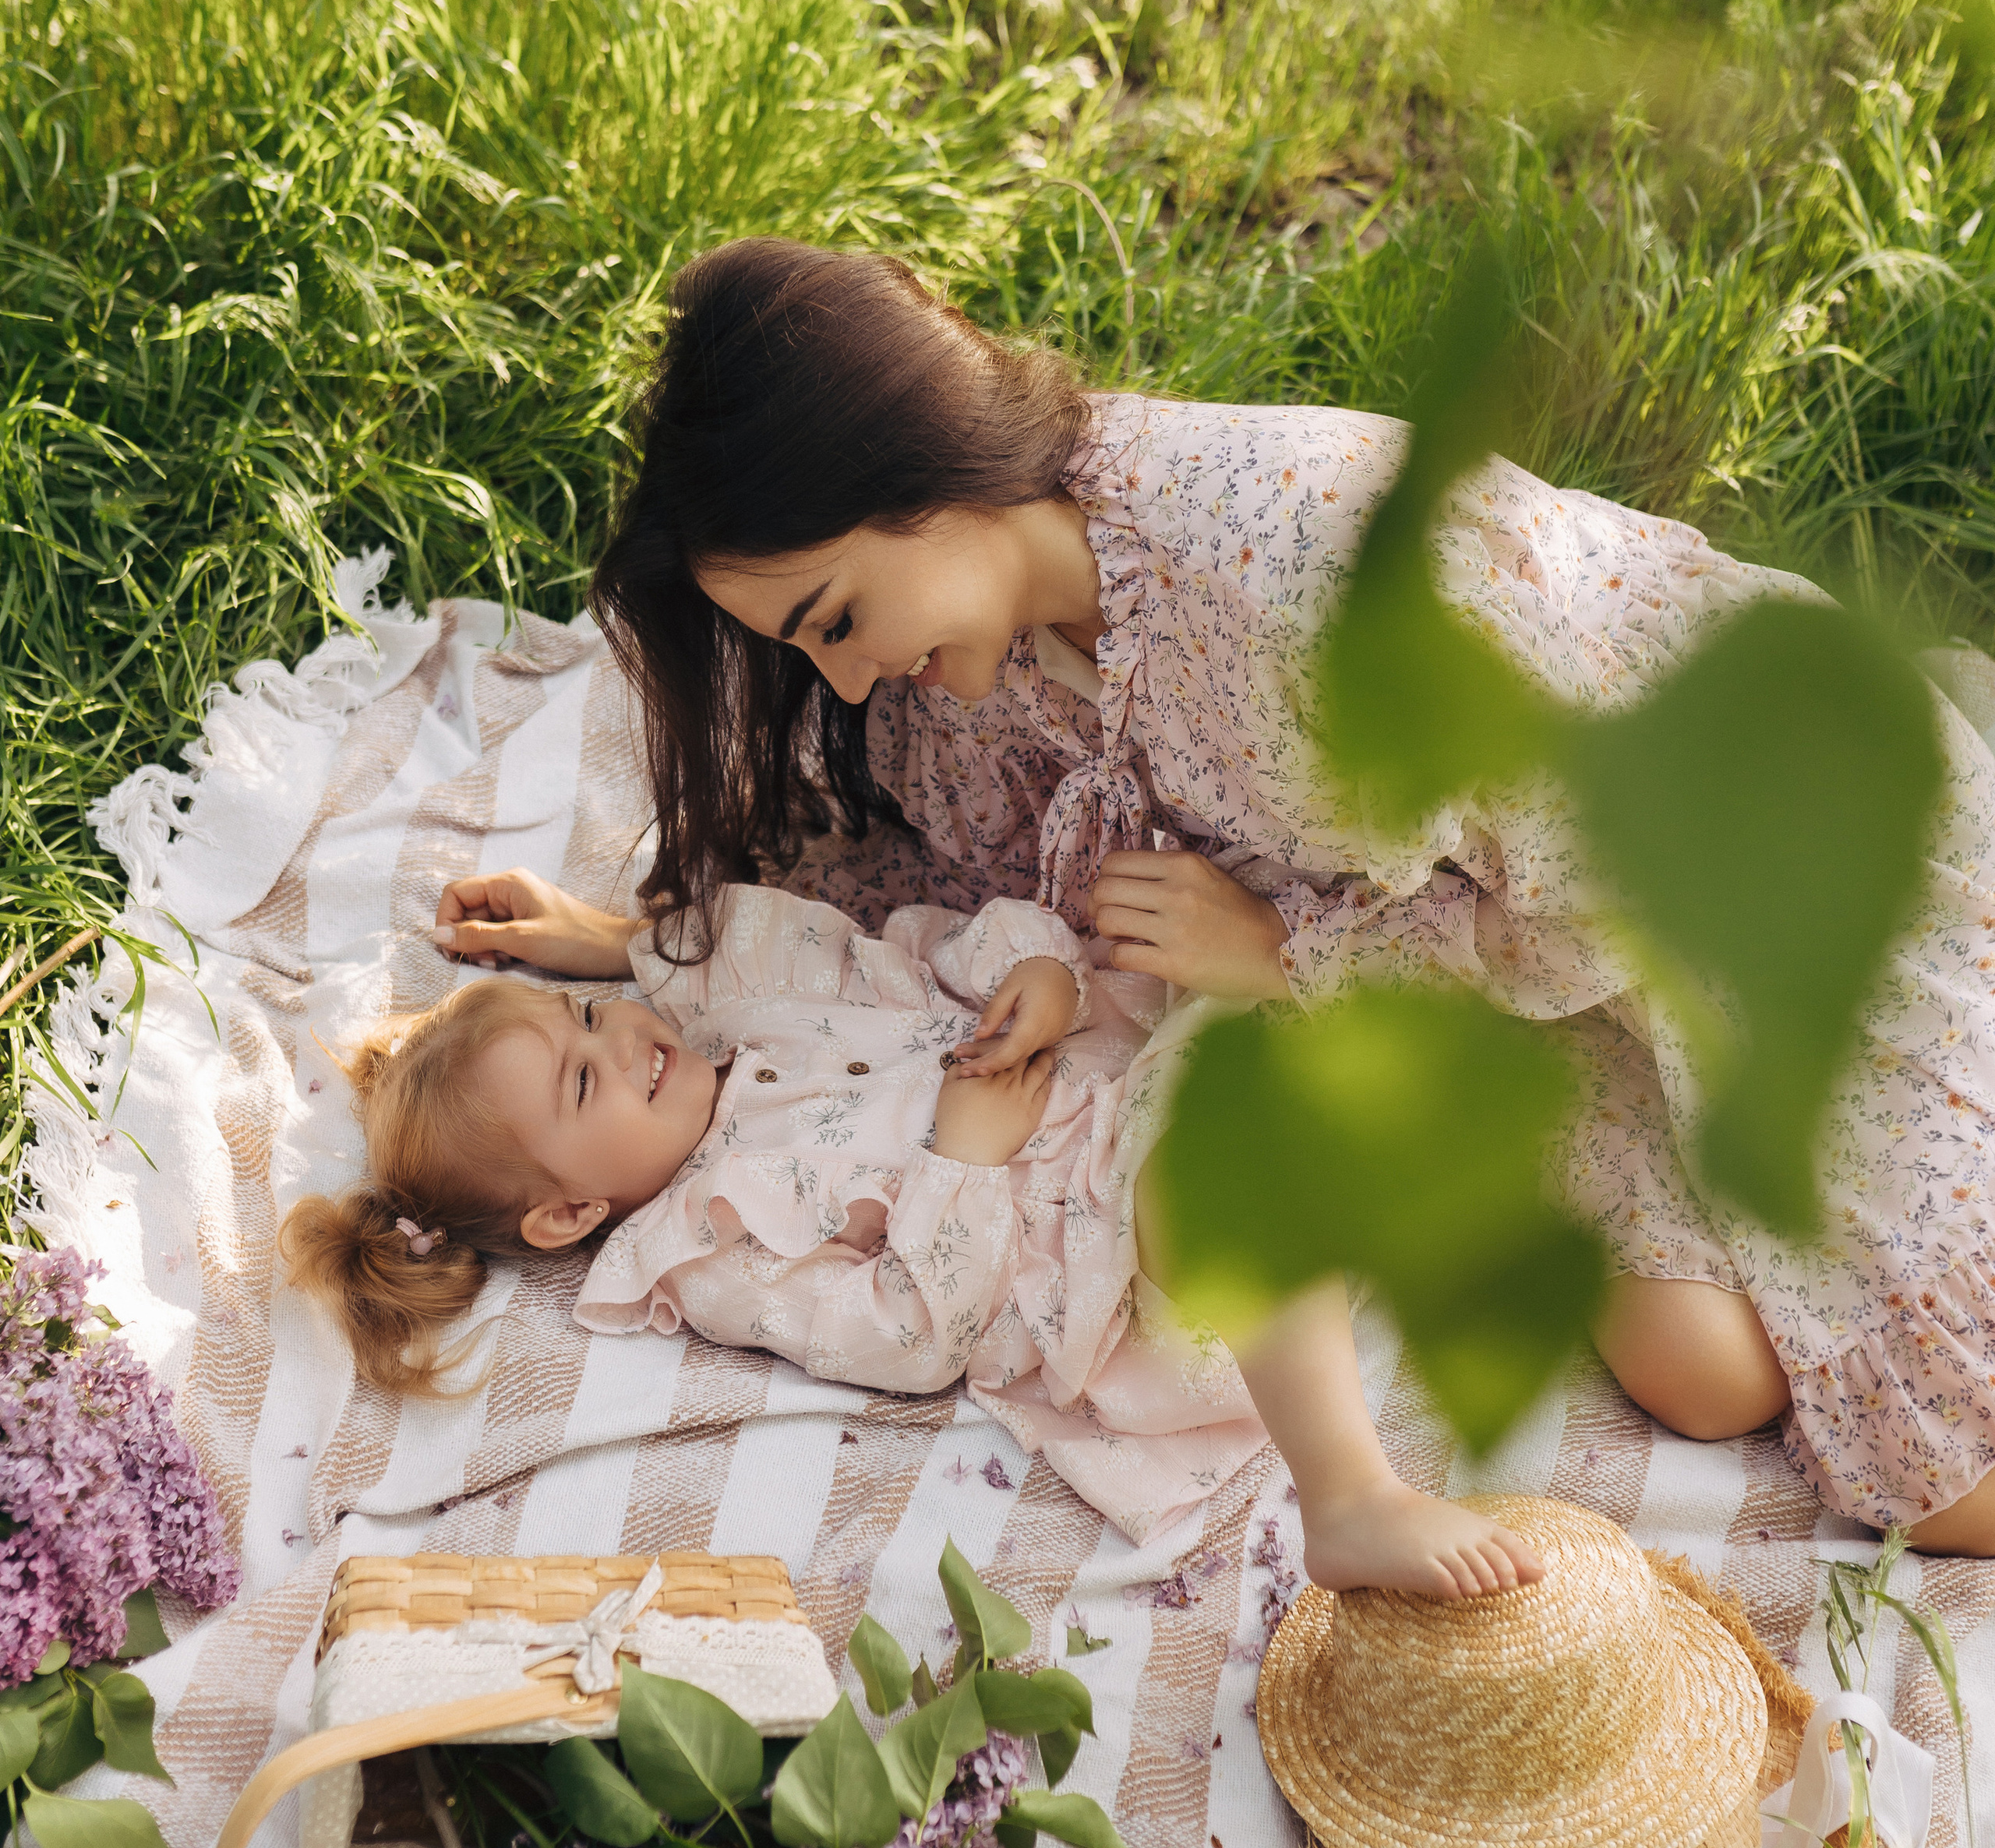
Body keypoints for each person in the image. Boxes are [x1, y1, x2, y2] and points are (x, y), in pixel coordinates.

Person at [436, 239, 1995, 1559]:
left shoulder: (1286, 562)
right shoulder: (952, 680)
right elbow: (958, 887)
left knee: (1926, 1459)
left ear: (924, 476)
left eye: (835, 618)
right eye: (806, 652)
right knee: (1703, 1373)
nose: (839, 676)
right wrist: (631, 950)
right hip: (1531, 987)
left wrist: (1284, 948)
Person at [282, 883, 1544, 1595]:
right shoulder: (708, 1251)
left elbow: (934, 942)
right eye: (580, 1085)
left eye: (584, 1021)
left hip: (1123, 1069)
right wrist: (966, 1157)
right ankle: (1353, 1495)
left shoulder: (744, 999)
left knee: (1283, 1046)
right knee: (1231, 1170)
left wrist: (1038, 976)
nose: (622, 1041)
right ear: (566, 1214)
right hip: (1088, 1250)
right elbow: (906, 1335)